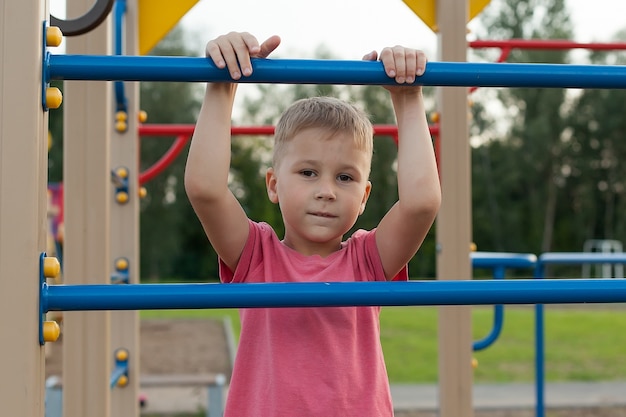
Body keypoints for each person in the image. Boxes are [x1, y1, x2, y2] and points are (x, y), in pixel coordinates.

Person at [185, 31, 441, 417]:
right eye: (308, 172)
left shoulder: (367, 261)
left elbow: (421, 203)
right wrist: (222, 86)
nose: (327, 191)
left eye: (345, 178)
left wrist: (407, 100)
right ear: (273, 184)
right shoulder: (255, 256)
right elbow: (205, 189)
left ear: (365, 196)